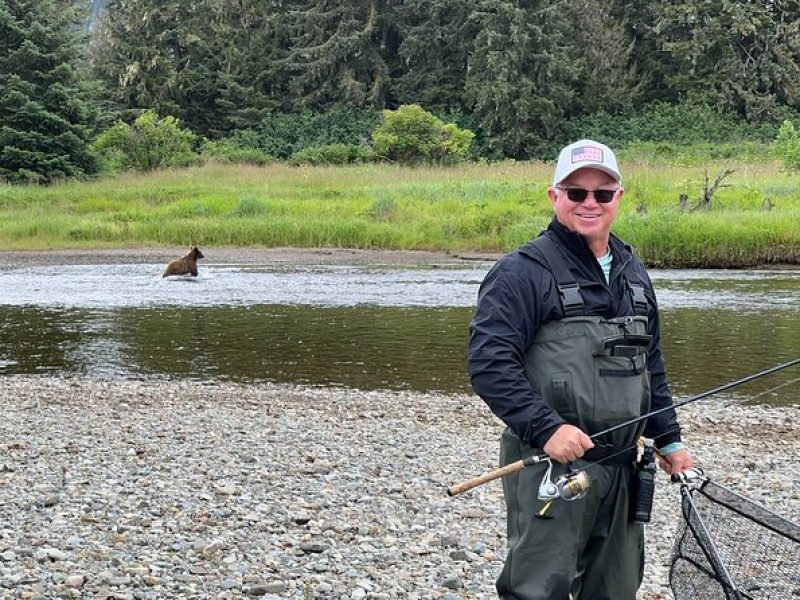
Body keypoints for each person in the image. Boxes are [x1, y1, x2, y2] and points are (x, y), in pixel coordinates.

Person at [468, 139, 693, 600]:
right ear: (555, 197)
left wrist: (668, 436)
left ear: (618, 199)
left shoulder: (634, 272)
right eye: (576, 193)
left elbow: (650, 361)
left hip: (623, 467)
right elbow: (489, 364)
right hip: (550, 463)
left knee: (615, 590)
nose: (589, 203)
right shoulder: (521, 272)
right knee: (537, 589)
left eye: (602, 194)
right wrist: (548, 428)